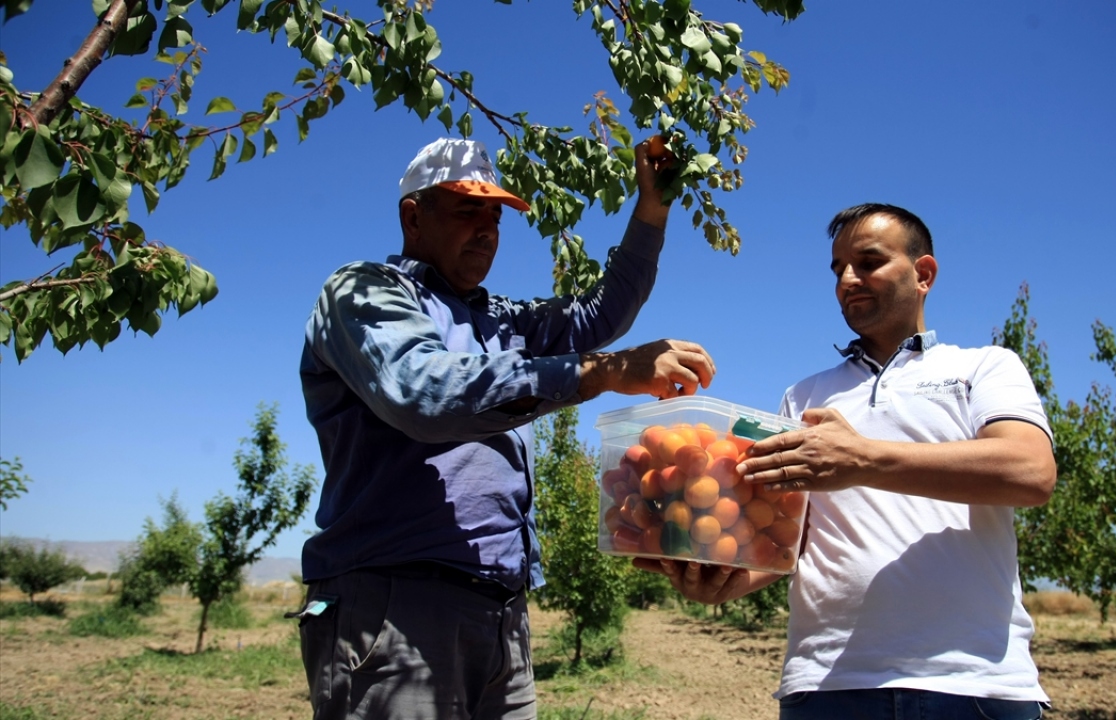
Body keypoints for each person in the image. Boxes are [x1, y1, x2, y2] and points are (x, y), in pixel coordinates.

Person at [295, 136, 715, 720]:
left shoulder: (497, 318)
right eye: (469, 210)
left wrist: (652, 208)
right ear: (413, 217)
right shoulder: (366, 292)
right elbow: (425, 393)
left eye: (496, 215)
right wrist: (610, 371)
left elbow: (598, 314)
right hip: (395, 604)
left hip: (503, 614)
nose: (488, 228)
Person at [637, 203, 1057, 719]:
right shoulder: (806, 395)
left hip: (974, 683)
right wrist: (725, 580)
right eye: (838, 269)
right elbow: (786, 537)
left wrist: (862, 459)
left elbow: (1030, 472)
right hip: (827, 683)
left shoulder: (984, 368)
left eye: (868, 261)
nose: (848, 279)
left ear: (923, 273)